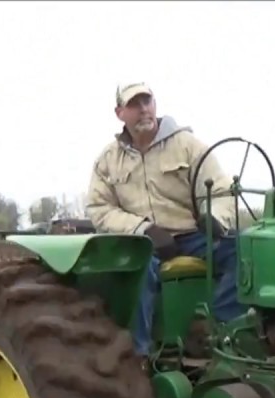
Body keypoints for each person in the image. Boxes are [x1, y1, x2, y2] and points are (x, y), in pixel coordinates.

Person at [85, 82, 256, 360]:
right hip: (140, 242)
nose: (143, 110)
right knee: (136, 269)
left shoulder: (187, 145)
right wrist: (143, 229)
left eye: (147, 101)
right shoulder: (108, 161)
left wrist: (214, 217)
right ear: (120, 113)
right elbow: (99, 208)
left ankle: (219, 327)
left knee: (246, 249)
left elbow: (223, 190)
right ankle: (139, 357)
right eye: (134, 105)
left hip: (190, 235)